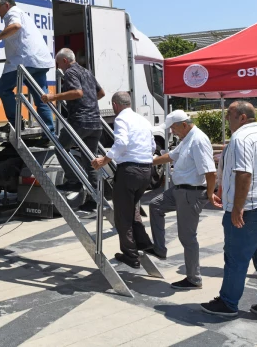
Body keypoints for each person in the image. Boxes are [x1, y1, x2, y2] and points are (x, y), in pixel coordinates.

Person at [200, 101, 257, 321]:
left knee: (236, 258)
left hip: (250, 209)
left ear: (242, 117)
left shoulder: (241, 138)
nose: (227, 120)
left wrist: (238, 207)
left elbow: (244, 173)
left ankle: (228, 303)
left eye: (229, 115)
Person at [149, 110, 218, 290]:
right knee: (155, 205)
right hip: (179, 190)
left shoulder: (198, 140)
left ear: (184, 125)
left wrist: (210, 194)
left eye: (173, 128)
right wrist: (147, 162)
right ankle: (159, 249)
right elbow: (171, 156)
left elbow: (210, 172)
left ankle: (194, 279)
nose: (172, 132)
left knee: (187, 237)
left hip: (191, 193)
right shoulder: (187, 139)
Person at [91, 91, 154, 268]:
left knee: (122, 216)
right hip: (146, 170)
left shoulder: (121, 119)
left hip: (129, 171)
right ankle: (143, 242)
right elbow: (152, 146)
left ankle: (131, 255)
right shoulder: (142, 120)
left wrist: (105, 159)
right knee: (132, 209)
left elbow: (121, 143)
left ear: (115, 105)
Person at [41, 48, 105, 210]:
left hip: (79, 121)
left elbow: (77, 92)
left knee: (60, 147)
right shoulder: (87, 72)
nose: (59, 68)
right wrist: (89, 103)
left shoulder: (70, 72)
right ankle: (95, 200)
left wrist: (53, 97)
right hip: (95, 122)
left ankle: (73, 181)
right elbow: (101, 93)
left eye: (59, 64)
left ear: (65, 61)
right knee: (90, 161)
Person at [0, 0, 54, 134]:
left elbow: (16, 26)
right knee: (42, 98)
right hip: (39, 61)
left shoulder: (13, 12)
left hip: (24, 61)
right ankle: (49, 133)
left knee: (4, 87)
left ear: (6, 5)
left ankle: (16, 123)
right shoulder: (24, 14)